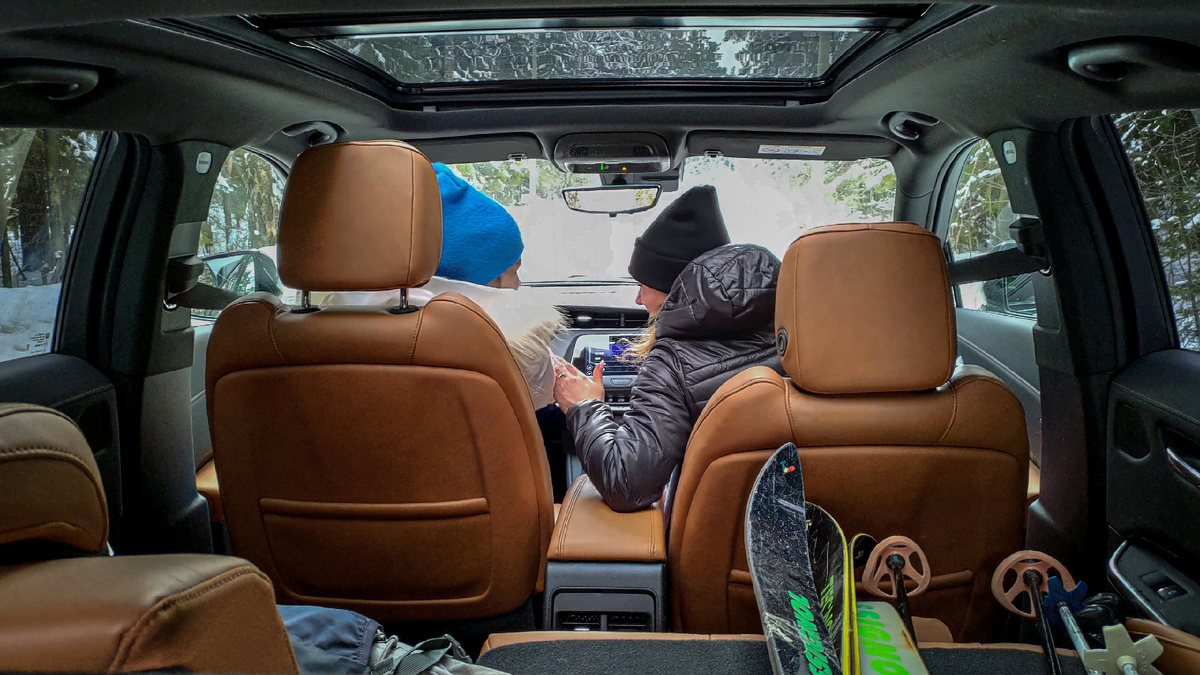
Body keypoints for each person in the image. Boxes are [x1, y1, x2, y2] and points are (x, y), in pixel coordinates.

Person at [552, 185, 782, 512]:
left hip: (711, 526)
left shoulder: (673, 361)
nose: (637, 300)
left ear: (676, 291)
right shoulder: (797, 331)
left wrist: (585, 406)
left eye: (643, 286)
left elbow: (627, 485)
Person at [325, 163, 564, 409]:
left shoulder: (320, 334)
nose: (518, 283)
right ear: (478, 280)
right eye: (513, 270)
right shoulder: (506, 353)